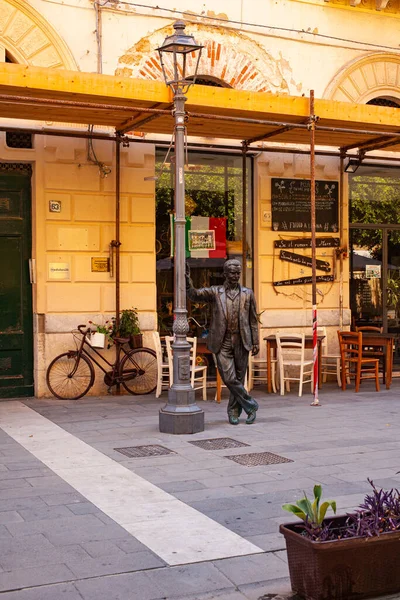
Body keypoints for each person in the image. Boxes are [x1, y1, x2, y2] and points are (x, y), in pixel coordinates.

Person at [186, 259, 259, 425]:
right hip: (222, 340)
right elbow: (194, 295)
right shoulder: (215, 292)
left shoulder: (248, 293)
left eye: (238, 273)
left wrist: (255, 341)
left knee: (239, 379)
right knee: (229, 376)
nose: (235, 276)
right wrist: (187, 279)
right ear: (225, 274)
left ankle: (234, 412)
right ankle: (250, 404)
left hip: (242, 340)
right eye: (232, 273)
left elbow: (253, 319)